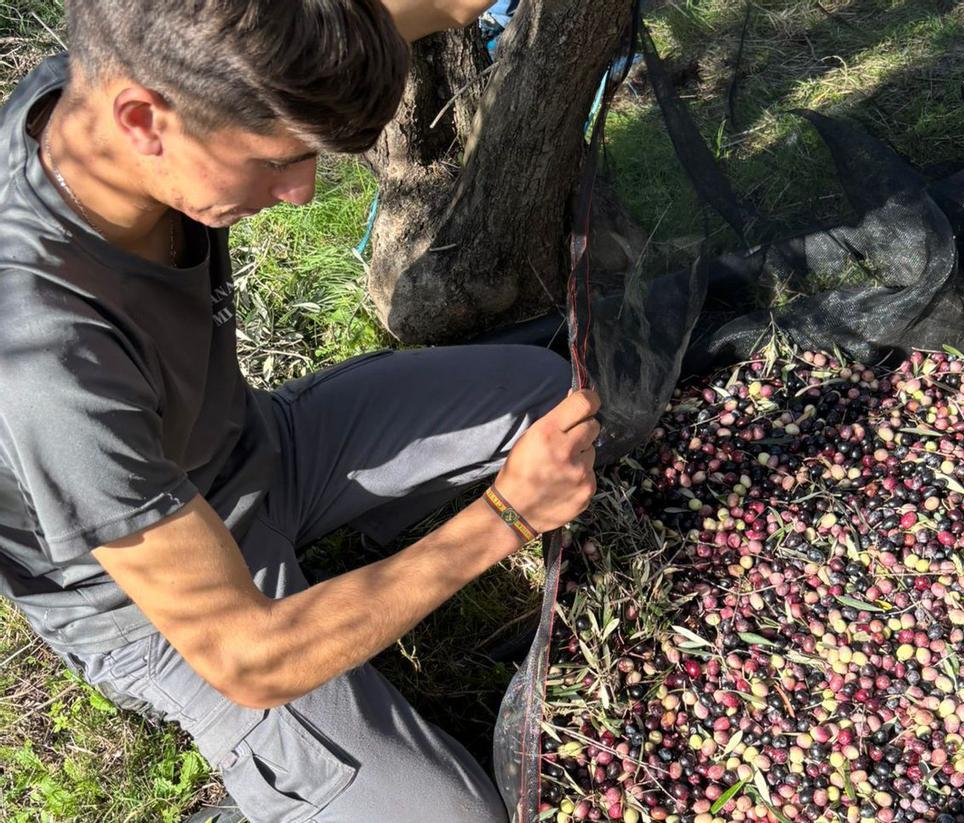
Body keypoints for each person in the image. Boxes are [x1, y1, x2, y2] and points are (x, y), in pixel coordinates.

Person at [0, 1, 600, 821]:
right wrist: (506, 514)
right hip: (158, 617)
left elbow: (401, 14)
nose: (300, 191)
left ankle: (363, 560)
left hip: (257, 449)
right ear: (143, 121)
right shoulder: (45, 360)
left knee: (549, 401)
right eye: (276, 161)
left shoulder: (139, 69)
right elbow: (247, 656)